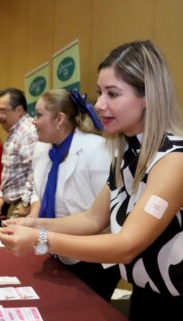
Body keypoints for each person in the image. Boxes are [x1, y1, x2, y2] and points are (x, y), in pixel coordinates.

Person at [0, 40, 183, 321]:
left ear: (148, 95)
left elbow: (125, 245)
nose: (100, 105)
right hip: (147, 298)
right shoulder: (126, 155)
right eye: (99, 93)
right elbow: (93, 220)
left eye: (113, 94)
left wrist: (41, 239)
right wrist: (35, 222)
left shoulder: (176, 160)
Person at [29, 88, 119, 301]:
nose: (33, 121)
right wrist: (32, 219)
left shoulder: (97, 149)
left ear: (59, 119)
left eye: (39, 115)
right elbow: (36, 192)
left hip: (94, 258)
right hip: (58, 251)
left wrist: (38, 230)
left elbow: (105, 214)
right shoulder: (42, 150)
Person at [0, 88, 37, 218]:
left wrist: (25, 203)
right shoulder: (15, 130)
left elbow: (34, 170)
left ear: (18, 110)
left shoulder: (28, 131)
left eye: (2, 111)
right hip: (14, 201)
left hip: (23, 204)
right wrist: (1, 195)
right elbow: (11, 169)